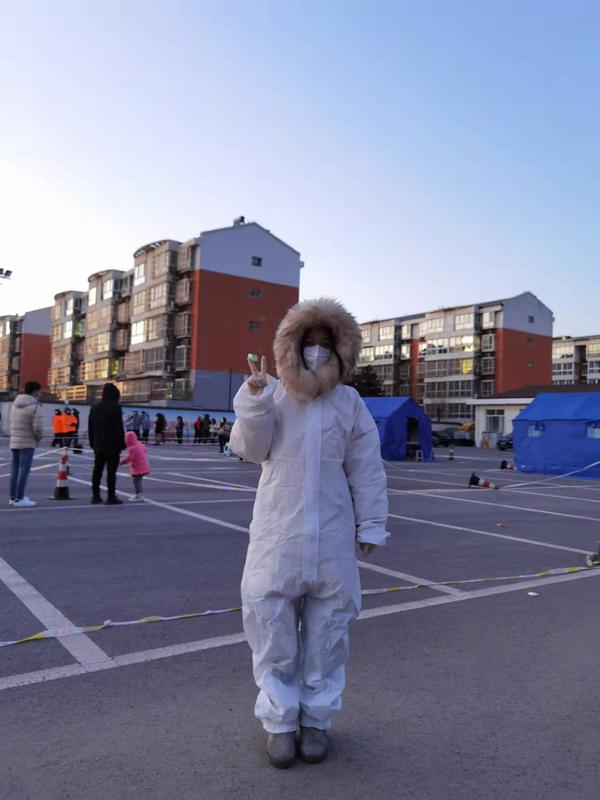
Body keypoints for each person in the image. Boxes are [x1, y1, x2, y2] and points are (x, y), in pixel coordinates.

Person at [230, 298, 388, 769]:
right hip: (279, 530)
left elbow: (366, 467)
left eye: (326, 343)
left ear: (342, 351)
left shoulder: (349, 402)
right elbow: (250, 449)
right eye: (309, 342)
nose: (317, 351)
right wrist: (253, 401)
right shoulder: (273, 394)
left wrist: (372, 522)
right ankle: (279, 722)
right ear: (291, 348)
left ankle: (317, 719)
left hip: (333, 533)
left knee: (329, 631)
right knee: (270, 623)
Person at [88, 383, 125, 505]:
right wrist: (122, 443)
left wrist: (92, 442)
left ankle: (95, 496)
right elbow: (119, 428)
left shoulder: (95, 407)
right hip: (113, 445)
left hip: (99, 443)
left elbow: (91, 426)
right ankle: (111, 496)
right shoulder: (116, 408)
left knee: (97, 470)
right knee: (111, 473)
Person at [9, 380, 43, 508]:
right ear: (35, 392)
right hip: (27, 441)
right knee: (24, 470)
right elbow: (38, 428)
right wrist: (38, 439)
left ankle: (13, 497)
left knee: (15, 470)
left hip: (15, 441)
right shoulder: (34, 407)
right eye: (39, 391)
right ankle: (20, 498)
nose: (40, 394)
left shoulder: (15, 404)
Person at [120, 431, 150, 502]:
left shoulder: (132, 448)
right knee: (137, 481)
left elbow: (129, 459)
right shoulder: (139, 444)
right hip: (144, 466)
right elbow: (145, 450)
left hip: (139, 468)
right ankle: (139, 495)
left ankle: (139, 495)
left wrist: (120, 462)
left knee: (136, 481)